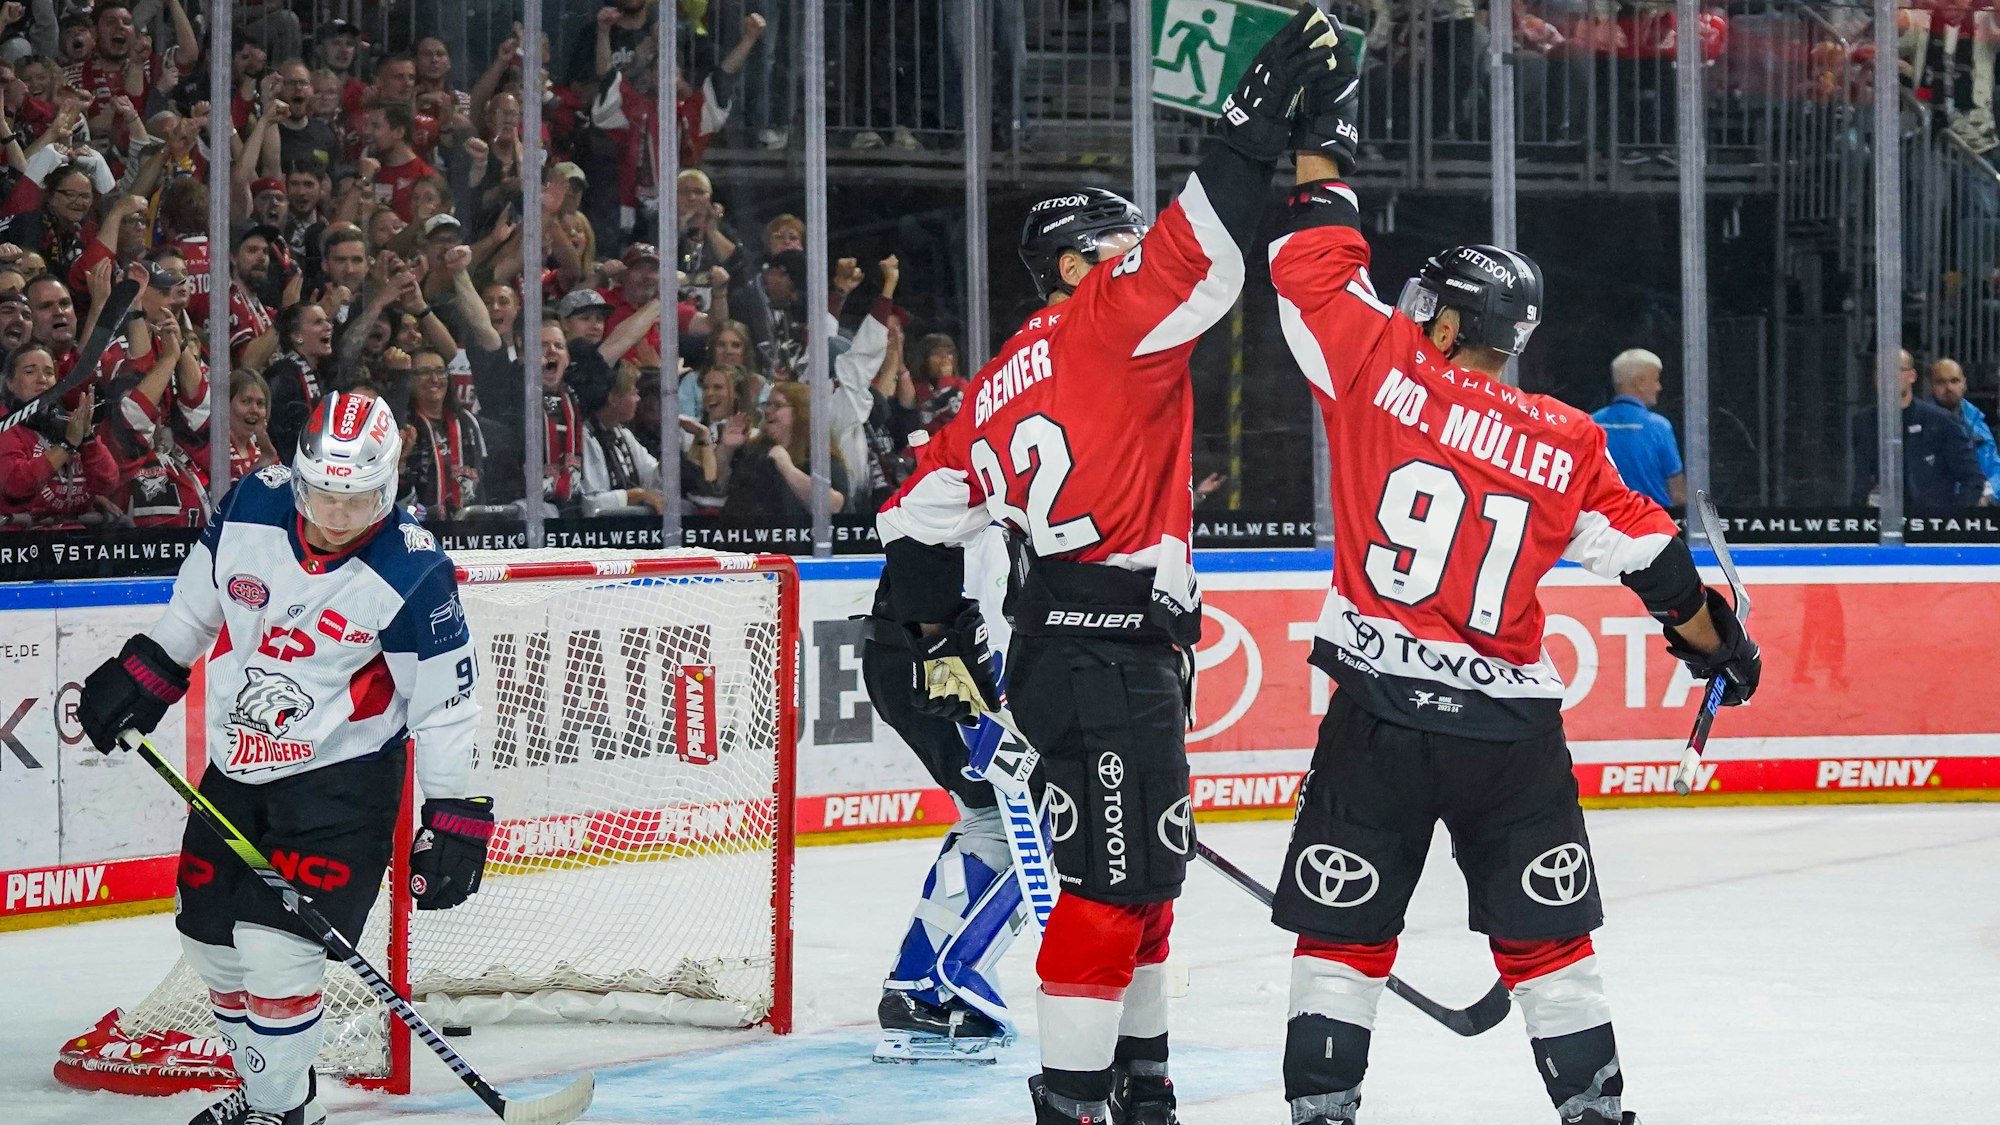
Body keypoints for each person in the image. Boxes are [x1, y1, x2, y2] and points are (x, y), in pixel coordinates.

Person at [1261, 54, 1762, 1125]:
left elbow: (1310, 261)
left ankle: (1320, 1114)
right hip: (1508, 734)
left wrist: (1322, 155)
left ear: (1443, 322)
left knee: (1341, 938)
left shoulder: (1378, 368)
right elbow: (1660, 571)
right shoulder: (1568, 438)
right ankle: (1591, 1110)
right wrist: (1718, 648)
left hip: (1379, 723)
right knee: (1548, 947)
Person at [871, 9, 1341, 1122]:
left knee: (1144, 888)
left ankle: (1142, 1089)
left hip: (1069, 655)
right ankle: (1075, 1101)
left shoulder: (995, 379)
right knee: (1109, 890)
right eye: (1119, 245)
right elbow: (1210, 235)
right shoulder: (1107, 320)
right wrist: (1253, 118)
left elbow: (911, 519)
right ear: (1077, 262)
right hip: (1107, 659)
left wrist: (937, 638)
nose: (1138, 257)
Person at [75, 390, 493, 1125]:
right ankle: (272, 1091)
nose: (335, 515)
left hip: (342, 787)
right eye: (322, 493)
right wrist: (144, 674)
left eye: (357, 499)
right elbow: (193, 613)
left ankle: (282, 1113)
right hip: (237, 768)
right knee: (207, 941)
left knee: (276, 955)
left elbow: (447, 704)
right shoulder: (251, 508)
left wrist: (454, 814)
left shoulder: (414, 570)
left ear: (389, 488)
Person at [1853, 349, 1987, 513]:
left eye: (1895, 370)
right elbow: (1862, 480)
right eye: (1881, 371)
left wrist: (1950, 523)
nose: (1887, 378)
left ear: (1912, 376)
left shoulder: (1942, 422)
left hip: (1930, 528)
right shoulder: (1863, 422)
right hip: (1879, 524)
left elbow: (1972, 479)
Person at [1589, 348, 1685, 506]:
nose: (1659, 387)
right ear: (1639, 382)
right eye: (1656, 380)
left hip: (1604, 525)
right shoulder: (1659, 427)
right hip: (1652, 524)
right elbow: (1678, 493)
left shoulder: (1590, 423)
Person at [1929, 357, 2000, 501]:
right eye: (1941, 382)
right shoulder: (1921, 421)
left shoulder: (1976, 421)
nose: (1949, 388)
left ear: (1964, 384)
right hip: (1935, 508)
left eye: (1954, 381)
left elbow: (1995, 468)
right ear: (1931, 386)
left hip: (1976, 508)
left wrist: (1987, 495)